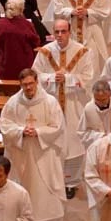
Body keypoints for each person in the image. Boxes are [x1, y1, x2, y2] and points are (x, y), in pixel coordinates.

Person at [0, 69, 66, 221]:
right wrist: (21, 131)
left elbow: (58, 126)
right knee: (25, 191)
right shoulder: (13, 103)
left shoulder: (50, 102)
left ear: (37, 82)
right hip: (22, 154)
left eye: (31, 83)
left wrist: (38, 132)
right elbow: (5, 125)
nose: (28, 88)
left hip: (44, 154)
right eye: (24, 85)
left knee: (45, 190)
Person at [33, 17, 92, 197]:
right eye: (56, 32)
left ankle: (71, 182)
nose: (59, 35)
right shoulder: (44, 52)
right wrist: (51, 78)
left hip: (74, 104)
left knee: (74, 143)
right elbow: (35, 75)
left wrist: (68, 78)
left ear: (70, 32)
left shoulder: (82, 52)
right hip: (51, 104)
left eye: (63, 31)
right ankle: (52, 178)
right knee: (52, 142)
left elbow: (89, 77)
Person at [0, 0, 40, 80]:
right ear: (21, 9)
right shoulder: (27, 25)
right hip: (24, 69)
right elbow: (36, 43)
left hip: (4, 68)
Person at [76, 79, 111, 150]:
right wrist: (100, 136)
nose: (100, 103)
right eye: (97, 100)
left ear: (109, 95)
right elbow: (82, 132)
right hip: (98, 149)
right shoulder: (89, 108)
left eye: (103, 100)